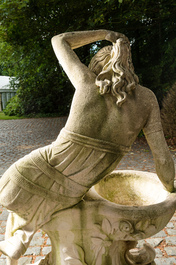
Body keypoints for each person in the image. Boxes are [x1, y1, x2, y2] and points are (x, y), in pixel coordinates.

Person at [0, 30, 175, 262]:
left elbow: (59, 40)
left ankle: (18, 240)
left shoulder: (86, 82)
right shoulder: (146, 100)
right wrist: (169, 187)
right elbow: (162, 158)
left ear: (96, 67)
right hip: (69, 192)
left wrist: (105, 34)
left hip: (22, 178)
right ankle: (20, 239)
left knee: (29, 210)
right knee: (57, 210)